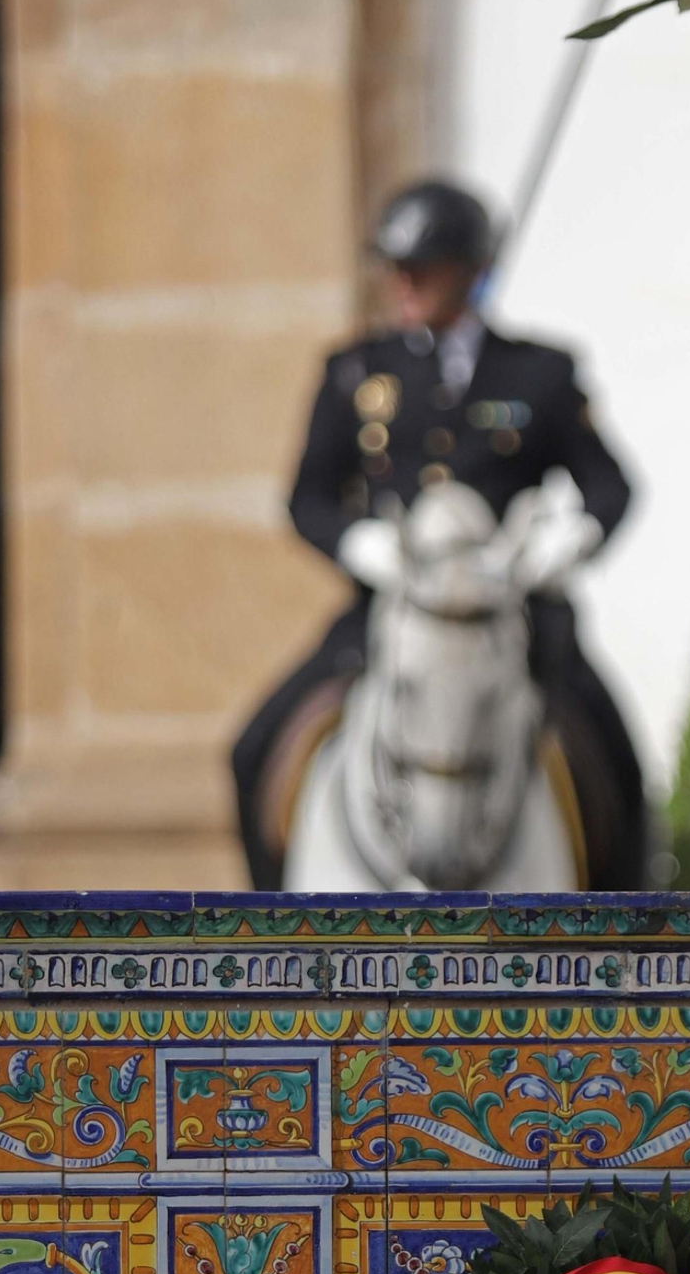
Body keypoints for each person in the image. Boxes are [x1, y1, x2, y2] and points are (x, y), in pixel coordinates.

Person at [231, 176, 646, 888]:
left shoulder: (540, 373)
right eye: (396, 267)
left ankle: (624, 933)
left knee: (613, 755)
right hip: (389, 616)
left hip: (516, 620)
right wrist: (359, 544)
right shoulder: (357, 371)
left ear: (472, 270)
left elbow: (610, 486)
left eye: (423, 267)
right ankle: (273, 929)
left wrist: (565, 542)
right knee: (254, 747)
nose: (405, 283)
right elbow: (308, 498)